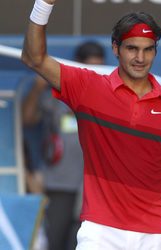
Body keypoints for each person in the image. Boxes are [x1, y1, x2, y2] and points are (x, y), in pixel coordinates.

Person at [21, 1, 161, 249]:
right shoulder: (88, 87)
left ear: (155, 51)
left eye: (148, 49)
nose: (140, 58)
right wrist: (44, 4)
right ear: (116, 48)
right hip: (100, 232)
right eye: (132, 48)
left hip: (155, 234)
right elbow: (33, 57)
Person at [22, 40, 105, 250]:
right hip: (60, 184)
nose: (95, 73)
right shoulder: (58, 94)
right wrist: (36, 88)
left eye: (99, 67)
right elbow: (27, 119)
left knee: (85, 243)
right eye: (90, 67)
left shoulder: (109, 96)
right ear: (78, 65)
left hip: (95, 186)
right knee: (54, 241)